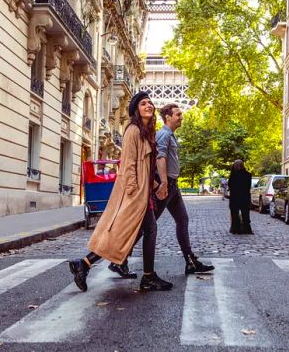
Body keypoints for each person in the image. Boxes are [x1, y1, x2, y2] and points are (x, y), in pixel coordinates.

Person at [68, 92, 173, 292]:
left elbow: (145, 168)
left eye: (150, 103)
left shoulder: (145, 132)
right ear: (136, 109)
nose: (148, 105)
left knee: (128, 233)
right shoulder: (133, 130)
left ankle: (84, 264)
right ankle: (147, 277)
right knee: (140, 231)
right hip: (134, 194)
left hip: (142, 192)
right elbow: (129, 164)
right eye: (143, 103)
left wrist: (153, 188)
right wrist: (134, 192)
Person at [113, 104, 214, 276]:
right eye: (178, 114)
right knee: (148, 227)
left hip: (172, 185)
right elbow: (160, 158)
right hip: (164, 185)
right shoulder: (163, 134)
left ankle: (190, 261)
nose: (181, 117)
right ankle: (119, 259)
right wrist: (163, 184)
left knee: (182, 220)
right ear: (168, 117)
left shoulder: (170, 136)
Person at [228, 160, 253, 234]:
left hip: (235, 198)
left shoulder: (233, 175)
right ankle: (246, 229)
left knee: (235, 214)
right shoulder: (248, 175)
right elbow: (248, 186)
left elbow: (230, 185)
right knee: (245, 214)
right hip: (244, 197)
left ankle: (236, 229)